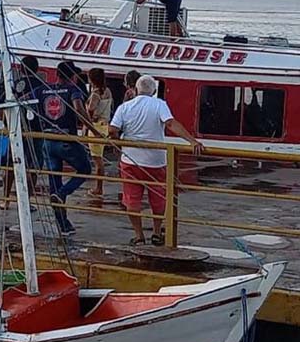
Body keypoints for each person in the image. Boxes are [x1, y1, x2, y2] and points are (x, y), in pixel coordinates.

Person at [109, 75, 203, 246]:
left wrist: (118, 143)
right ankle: (157, 232)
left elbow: (112, 130)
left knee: (132, 199)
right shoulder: (159, 104)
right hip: (156, 161)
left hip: (130, 160)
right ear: (154, 91)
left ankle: (139, 236)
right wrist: (192, 141)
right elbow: (170, 124)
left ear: (135, 89)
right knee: (158, 198)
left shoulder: (124, 107)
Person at [34, 61, 94, 235]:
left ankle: (64, 225)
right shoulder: (73, 90)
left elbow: (24, 100)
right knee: (85, 169)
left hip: (47, 139)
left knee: (54, 180)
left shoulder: (42, 90)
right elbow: (78, 108)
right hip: (66, 139)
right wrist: (92, 128)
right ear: (72, 76)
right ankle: (63, 193)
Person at [2, 55, 46, 206]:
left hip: (16, 129)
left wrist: (7, 126)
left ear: (21, 69)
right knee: (33, 167)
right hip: (36, 131)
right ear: (37, 69)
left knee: (11, 165)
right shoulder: (42, 86)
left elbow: (6, 107)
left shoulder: (13, 85)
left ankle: (6, 199)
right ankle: (26, 202)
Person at [86, 67, 113, 198]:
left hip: (96, 127)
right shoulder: (108, 91)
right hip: (105, 125)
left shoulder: (96, 94)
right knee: (99, 158)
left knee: (97, 160)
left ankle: (98, 188)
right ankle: (99, 187)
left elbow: (91, 109)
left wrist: (88, 114)